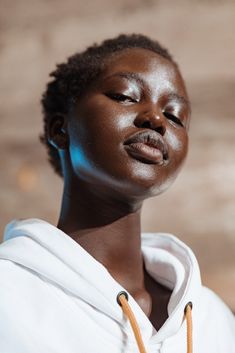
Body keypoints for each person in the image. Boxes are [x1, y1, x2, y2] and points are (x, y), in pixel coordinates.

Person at [0, 34, 234, 353]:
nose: (155, 119)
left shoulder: (214, 319)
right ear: (60, 128)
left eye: (175, 115)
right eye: (125, 96)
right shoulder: (9, 292)